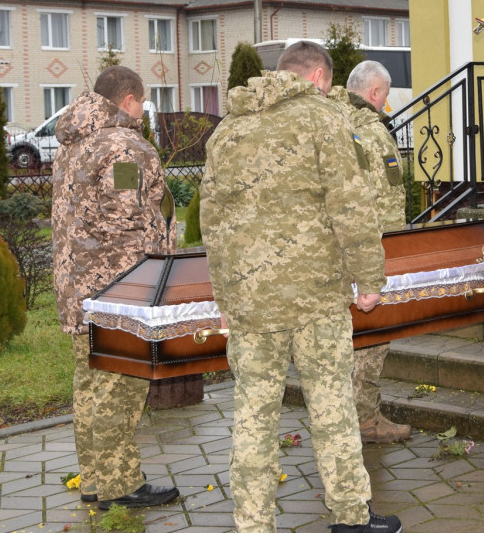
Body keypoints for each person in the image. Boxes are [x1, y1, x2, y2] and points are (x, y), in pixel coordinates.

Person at [200, 41, 401, 533]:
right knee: (331, 404)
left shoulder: (228, 130)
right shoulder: (325, 121)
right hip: (315, 297)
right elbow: (351, 207)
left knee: (252, 412)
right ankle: (351, 515)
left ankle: (252, 522)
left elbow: (212, 222)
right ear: (317, 78)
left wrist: (225, 296)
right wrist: (370, 279)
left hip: (250, 301)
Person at [51, 65, 180, 511]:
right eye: (141, 102)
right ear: (128, 100)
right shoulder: (125, 147)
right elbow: (131, 224)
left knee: (89, 384)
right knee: (118, 387)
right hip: (119, 292)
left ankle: (94, 479)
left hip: (77, 290)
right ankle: (120, 484)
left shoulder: (73, 145)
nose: (143, 111)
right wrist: (159, 272)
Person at [333, 60, 411, 444]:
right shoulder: (371, 133)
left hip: (336, 254)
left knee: (346, 341)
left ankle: (345, 420)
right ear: (375, 94)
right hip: (371, 252)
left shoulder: (330, 123)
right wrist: (393, 253)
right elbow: (385, 202)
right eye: (385, 94)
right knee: (371, 339)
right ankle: (364, 421)